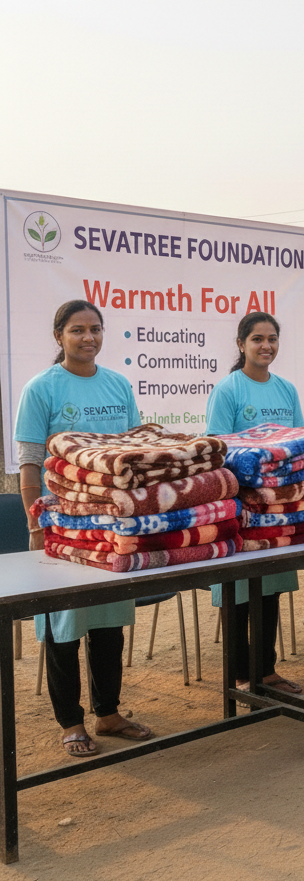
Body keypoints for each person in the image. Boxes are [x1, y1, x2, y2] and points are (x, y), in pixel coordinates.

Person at [15, 300, 153, 756]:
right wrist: (36, 523)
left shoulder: (118, 384)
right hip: (62, 527)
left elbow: (134, 452)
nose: (88, 337)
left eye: (95, 329)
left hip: (114, 525)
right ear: (59, 336)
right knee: (65, 623)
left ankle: (108, 713)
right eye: (77, 330)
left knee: (109, 618)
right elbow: (30, 463)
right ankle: (71, 722)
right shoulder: (41, 388)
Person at [205, 312, 303, 694]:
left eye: (272, 338)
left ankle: (266, 670)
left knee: (270, 588)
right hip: (240, 508)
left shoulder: (287, 390)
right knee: (239, 594)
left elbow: (298, 444)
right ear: (241, 344)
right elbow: (217, 450)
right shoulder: (228, 390)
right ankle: (240, 676)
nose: (266, 346)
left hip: (277, 507)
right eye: (257, 339)